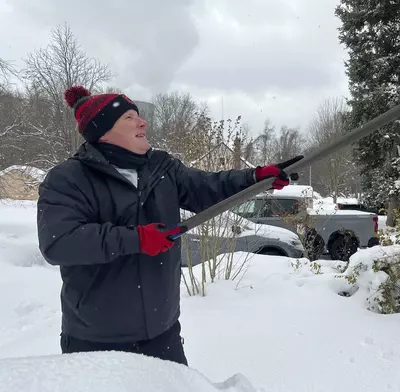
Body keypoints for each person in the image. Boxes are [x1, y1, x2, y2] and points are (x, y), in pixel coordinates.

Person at [36, 86, 302, 366]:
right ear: (102, 129)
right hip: (96, 341)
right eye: (129, 118)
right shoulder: (69, 178)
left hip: (162, 335)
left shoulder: (162, 168)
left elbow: (206, 188)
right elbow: (60, 242)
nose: (143, 122)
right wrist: (137, 239)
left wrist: (254, 178)